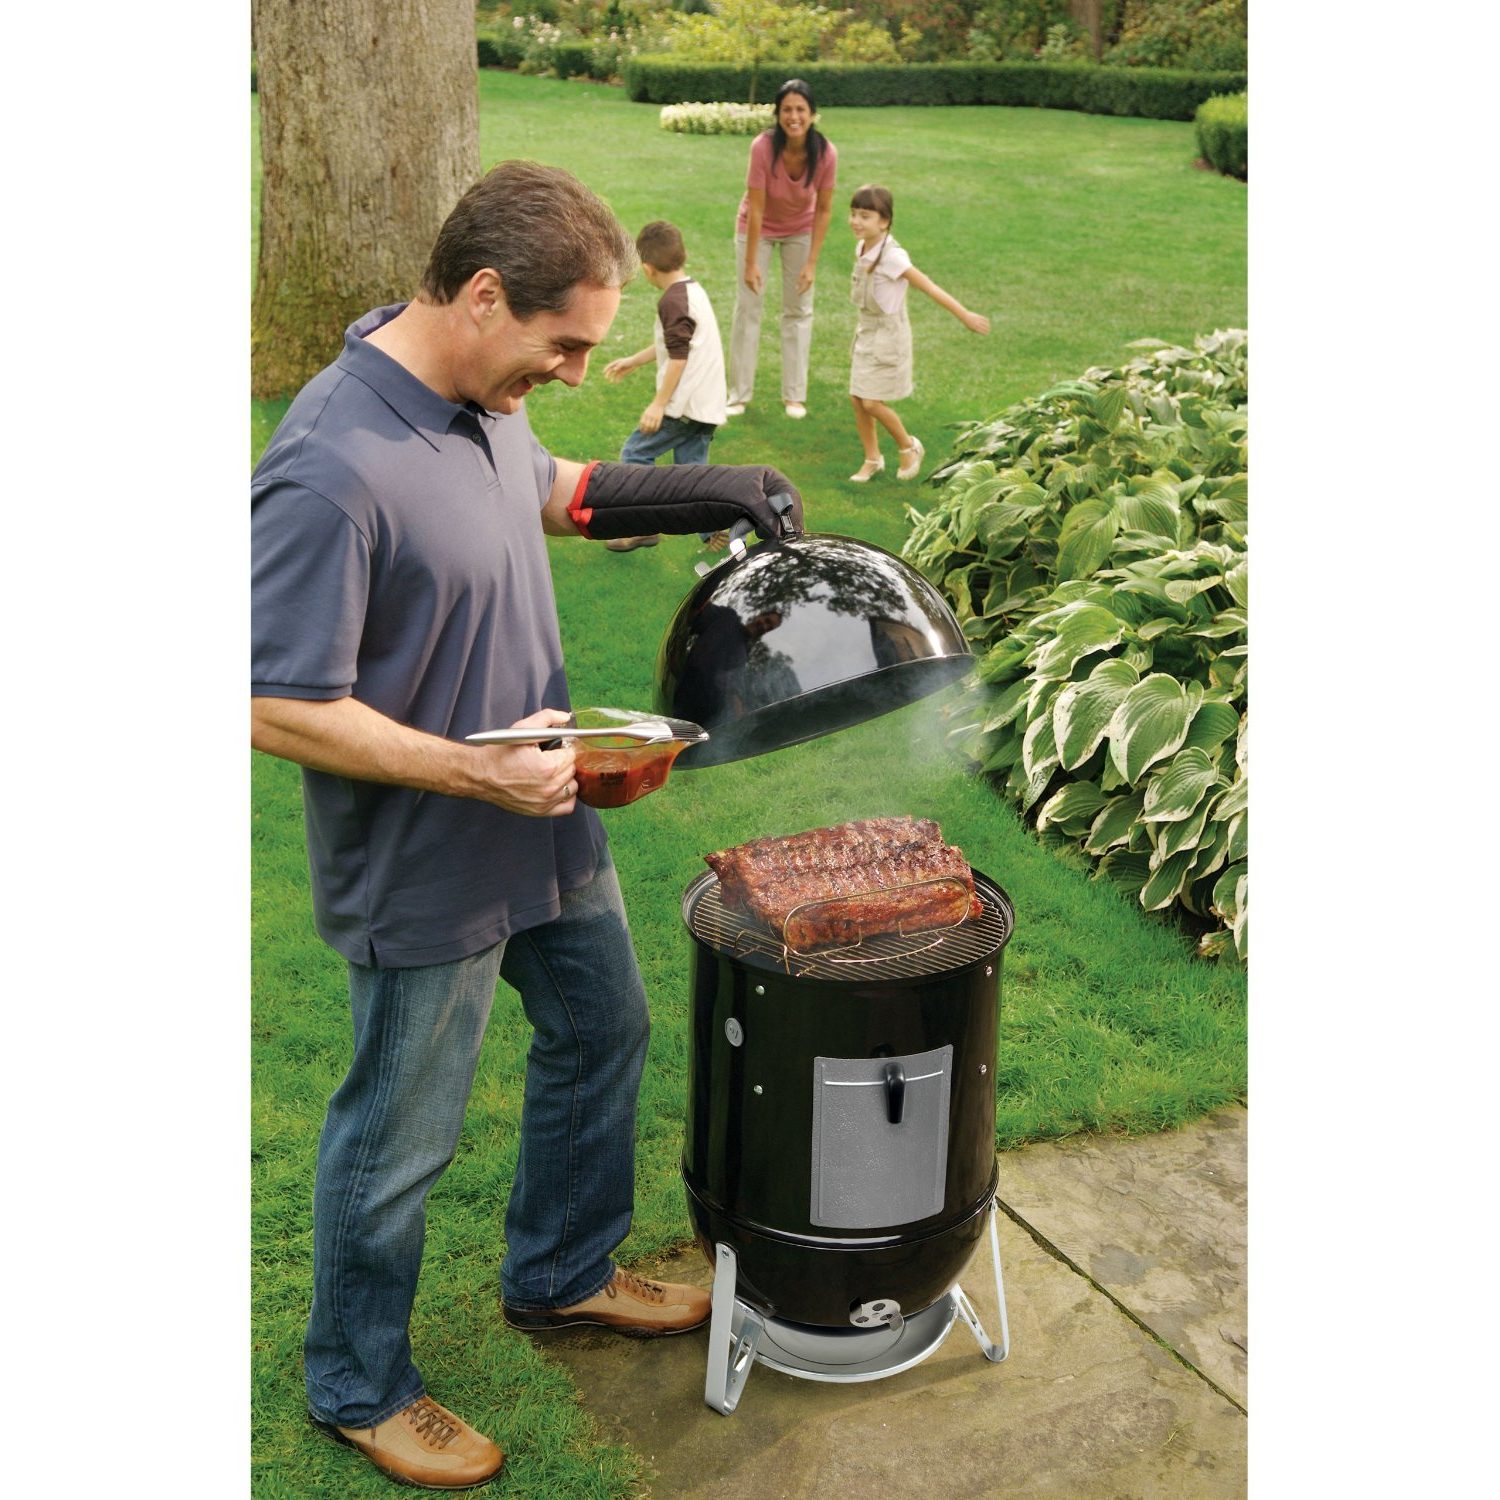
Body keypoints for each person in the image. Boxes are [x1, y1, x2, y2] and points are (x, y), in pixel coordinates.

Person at [251, 159, 802, 1492]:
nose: (568, 370)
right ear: (486, 295)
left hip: (545, 818)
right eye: (561, 345)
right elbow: (270, 702)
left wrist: (710, 489)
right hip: (432, 853)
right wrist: (468, 771)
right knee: (399, 1133)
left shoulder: (471, 391)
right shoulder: (330, 466)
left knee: (603, 1031)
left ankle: (560, 1269)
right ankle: (357, 1383)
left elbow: (555, 488)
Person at [843, 183, 991, 484]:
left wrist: (965, 315)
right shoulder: (862, 247)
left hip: (887, 336)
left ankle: (908, 446)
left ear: (884, 221)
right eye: (854, 214)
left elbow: (929, 286)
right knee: (858, 398)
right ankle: (872, 459)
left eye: (865, 216)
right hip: (866, 330)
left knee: (872, 402)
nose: (857, 221)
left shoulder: (894, 257)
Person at [600, 219, 729, 552]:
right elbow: (673, 345)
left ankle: (644, 528)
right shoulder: (691, 290)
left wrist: (659, 404)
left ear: (647, 268)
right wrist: (633, 361)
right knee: (691, 472)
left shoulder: (671, 301)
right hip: (706, 406)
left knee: (634, 454)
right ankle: (718, 530)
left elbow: (678, 357)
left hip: (684, 407)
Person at [726, 78, 837, 421]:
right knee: (749, 309)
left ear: (812, 114)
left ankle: (794, 396)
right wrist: (750, 263)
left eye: (800, 109)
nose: (793, 116)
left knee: (798, 310)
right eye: (787, 109)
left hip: (799, 231)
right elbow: (757, 209)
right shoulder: (762, 147)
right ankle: (738, 394)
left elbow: (823, 210)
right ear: (777, 114)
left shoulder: (826, 153)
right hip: (756, 229)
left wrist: (812, 264)